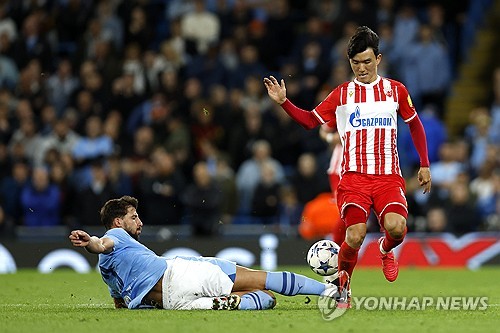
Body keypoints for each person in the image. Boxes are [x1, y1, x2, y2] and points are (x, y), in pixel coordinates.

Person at [264, 26, 432, 306]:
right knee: (354, 234)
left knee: (397, 228)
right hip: (354, 178)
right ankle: (343, 287)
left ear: (378, 59)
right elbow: (309, 121)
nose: (362, 68)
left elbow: (415, 125)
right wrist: (284, 103)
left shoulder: (396, 91)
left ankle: (385, 249)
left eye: (367, 62)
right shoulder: (341, 95)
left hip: (388, 177)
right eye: (356, 63)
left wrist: (425, 164)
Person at [69, 195, 349, 310]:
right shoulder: (114, 236)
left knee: (264, 292)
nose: (139, 222)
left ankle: (332, 290)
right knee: (263, 290)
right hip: (179, 288)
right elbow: (99, 244)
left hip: (179, 291)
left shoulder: (108, 262)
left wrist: (91, 243)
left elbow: (118, 300)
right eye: (133, 217)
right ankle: (330, 289)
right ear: (118, 222)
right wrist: (89, 240)